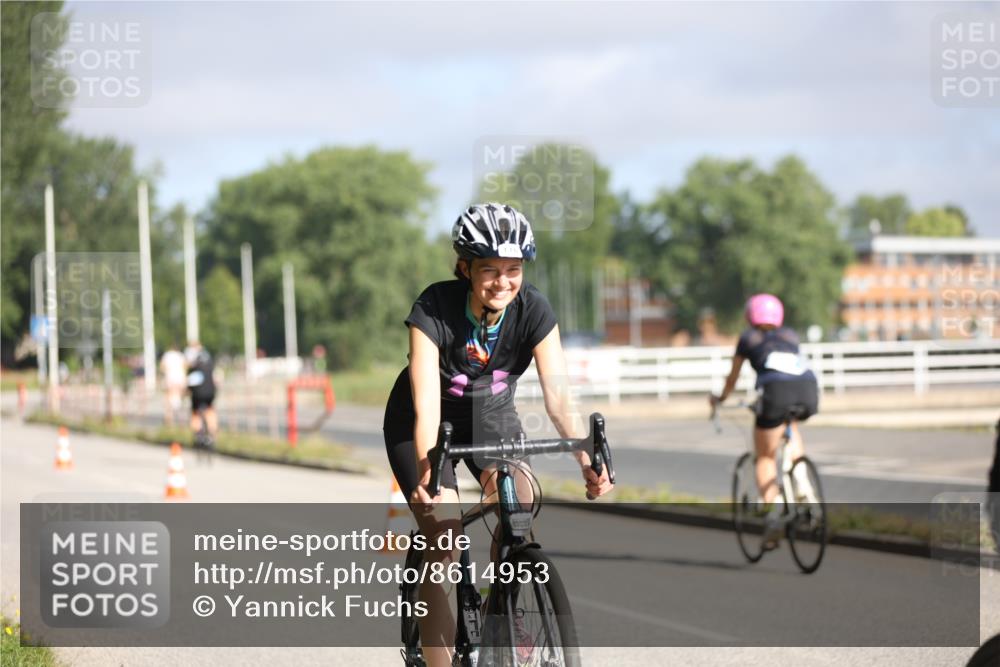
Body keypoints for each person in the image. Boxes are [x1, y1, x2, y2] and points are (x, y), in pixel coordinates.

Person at [383, 203, 613, 666]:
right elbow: (426, 406)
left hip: (491, 414)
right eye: (489, 269)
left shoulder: (534, 310)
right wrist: (430, 477)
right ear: (465, 267)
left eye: (514, 269)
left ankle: (501, 606)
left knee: (520, 501)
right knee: (443, 540)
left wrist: (587, 461)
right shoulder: (434, 307)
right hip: (426, 423)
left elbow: (559, 400)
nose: (503, 281)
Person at [710, 293, 819, 550]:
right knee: (789, 425)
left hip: (775, 394)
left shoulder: (749, 338)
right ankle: (803, 483)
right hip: (808, 391)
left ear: (750, 317)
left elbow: (733, 378)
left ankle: (776, 511)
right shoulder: (790, 336)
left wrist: (720, 398)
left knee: (766, 457)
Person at [184, 341, 218, 441]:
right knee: (210, 410)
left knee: (195, 412)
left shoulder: (194, 366)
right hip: (211, 391)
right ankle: (213, 433)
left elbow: (191, 383)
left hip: (198, 393)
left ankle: (197, 433)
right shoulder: (209, 360)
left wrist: (186, 392)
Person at [159, 344, 187, 425]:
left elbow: (162, 366)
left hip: (170, 378)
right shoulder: (181, 356)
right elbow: (185, 367)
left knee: (168, 399)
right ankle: (181, 417)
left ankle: (169, 418)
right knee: (179, 398)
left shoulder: (167, 355)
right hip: (180, 379)